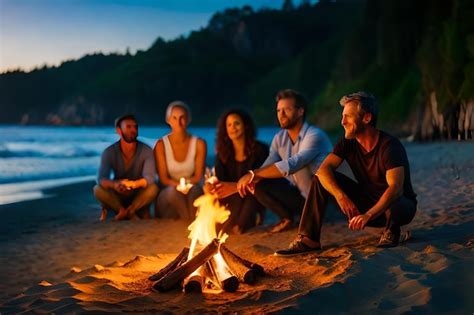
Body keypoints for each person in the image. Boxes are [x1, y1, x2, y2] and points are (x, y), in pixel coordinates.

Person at [276, 92, 417, 255]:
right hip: (367, 203)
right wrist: (340, 196)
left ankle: (391, 231)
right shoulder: (347, 143)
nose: (342, 122)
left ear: (367, 118)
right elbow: (323, 171)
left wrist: (368, 215)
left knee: (395, 198)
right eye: (343, 117)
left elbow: (396, 189)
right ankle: (309, 239)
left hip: (397, 208)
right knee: (321, 179)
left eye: (348, 117)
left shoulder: (390, 146)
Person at [237, 89, 332, 232]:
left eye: (286, 110)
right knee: (258, 183)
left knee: (299, 167)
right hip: (299, 195)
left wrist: (253, 174)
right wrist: (253, 178)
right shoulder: (279, 138)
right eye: (278, 110)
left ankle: (313, 217)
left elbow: (294, 164)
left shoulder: (315, 135)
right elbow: (267, 166)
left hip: (323, 198)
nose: (281, 115)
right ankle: (287, 218)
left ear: (300, 111)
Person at [207, 109, 269, 234]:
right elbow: (220, 182)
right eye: (229, 125)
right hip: (231, 200)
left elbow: (261, 181)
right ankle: (224, 227)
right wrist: (211, 185)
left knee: (250, 195)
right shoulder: (223, 153)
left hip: (253, 197)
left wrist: (235, 187)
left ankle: (242, 226)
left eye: (237, 123)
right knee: (215, 196)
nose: (233, 128)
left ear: (246, 126)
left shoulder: (260, 150)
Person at [93, 114, 158, 221]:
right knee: (97, 189)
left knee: (153, 188)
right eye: (128, 127)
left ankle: (131, 210)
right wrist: (115, 185)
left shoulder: (146, 150)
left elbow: (150, 178)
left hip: (137, 194)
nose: (133, 130)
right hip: (118, 193)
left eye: (135, 127)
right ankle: (121, 210)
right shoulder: (109, 152)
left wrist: (134, 184)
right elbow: (101, 179)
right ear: (118, 131)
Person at [154, 101, 207, 220]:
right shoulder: (161, 144)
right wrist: (179, 186)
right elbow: (163, 179)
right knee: (174, 192)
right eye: (174, 118)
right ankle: (189, 221)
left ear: (188, 120)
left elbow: (198, 176)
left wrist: (186, 186)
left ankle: (189, 220)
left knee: (194, 191)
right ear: (168, 120)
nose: (178, 122)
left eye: (182, 118)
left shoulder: (199, 143)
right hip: (169, 190)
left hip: (192, 186)